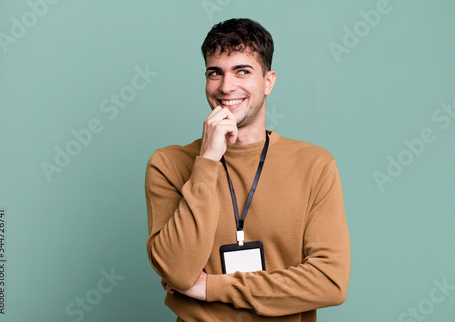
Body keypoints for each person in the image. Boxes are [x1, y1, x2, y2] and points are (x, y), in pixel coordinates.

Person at [145, 18, 350, 321]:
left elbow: (330, 283)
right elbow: (177, 269)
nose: (226, 87)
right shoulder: (168, 165)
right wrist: (207, 162)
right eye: (215, 73)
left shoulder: (315, 165)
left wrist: (211, 287)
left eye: (242, 71)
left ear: (268, 81)